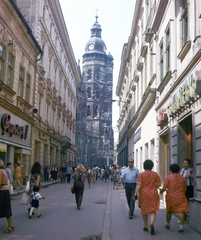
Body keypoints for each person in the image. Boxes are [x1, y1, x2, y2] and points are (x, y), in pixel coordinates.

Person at [134, 159, 161, 235]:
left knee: (144, 210)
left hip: (144, 194)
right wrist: (154, 186)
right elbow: (159, 184)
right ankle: (151, 223)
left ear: (144, 166)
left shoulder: (141, 175)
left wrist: (135, 193)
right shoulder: (155, 174)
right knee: (153, 210)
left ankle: (145, 225)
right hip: (153, 193)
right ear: (152, 166)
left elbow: (139, 184)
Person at [160, 163, 190, 233]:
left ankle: (167, 223)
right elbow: (185, 189)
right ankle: (181, 226)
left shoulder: (169, 177)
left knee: (169, 210)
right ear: (178, 170)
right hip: (180, 196)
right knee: (180, 211)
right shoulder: (182, 178)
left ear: (171, 170)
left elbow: (165, 187)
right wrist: (182, 194)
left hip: (171, 196)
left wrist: (161, 191)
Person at [0, 159, 14, 233]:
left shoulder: (0, 171)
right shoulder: (3, 171)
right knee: (6, 209)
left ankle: (10, 226)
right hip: (5, 191)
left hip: (2, 191)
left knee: (5, 209)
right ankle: (11, 224)